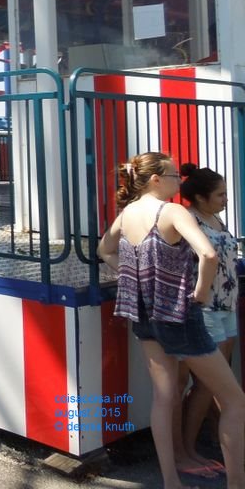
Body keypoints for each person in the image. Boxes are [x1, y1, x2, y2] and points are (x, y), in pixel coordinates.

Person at [97, 151, 245, 489]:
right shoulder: (173, 211)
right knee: (235, 400)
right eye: (175, 175)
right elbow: (207, 253)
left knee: (164, 397)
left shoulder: (128, 213)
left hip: (145, 315)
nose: (180, 181)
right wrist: (201, 292)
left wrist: (130, 275)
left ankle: (170, 481)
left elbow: (105, 250)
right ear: (156, 179)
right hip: (180, 316)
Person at [179, 164, 239, 472]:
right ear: (200, 198)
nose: (226, 199)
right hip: (206, 310)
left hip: (227, 306)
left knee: (220, 382)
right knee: (205, 384)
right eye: (221, 194)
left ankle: (221, 439)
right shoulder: (187, 220)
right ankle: (188, 448)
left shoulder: (215, 217)